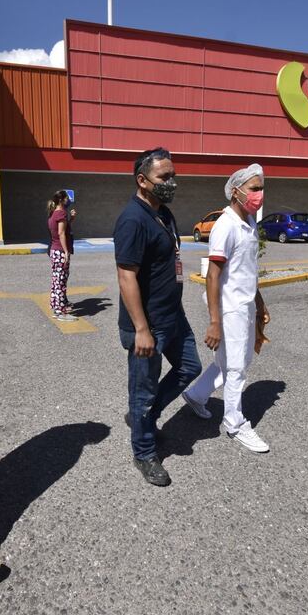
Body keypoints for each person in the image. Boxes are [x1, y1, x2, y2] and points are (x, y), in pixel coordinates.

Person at [114, 147, 201, 487]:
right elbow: (126, 276)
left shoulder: (163, 213)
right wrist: (141, 329)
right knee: (143, 391)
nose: (172, 182)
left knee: (189, 367)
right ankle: (144, 451)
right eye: (164, 177)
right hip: (146, 326)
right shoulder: (132, 219)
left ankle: (143, 420)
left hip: (172, 317)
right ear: (142, 181)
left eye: (173, 175)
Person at [182, 164, 271, 453]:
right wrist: (214, 322)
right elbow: (213, 275)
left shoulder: (249, 221)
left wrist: (259, 304)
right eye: (254, 189)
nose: (259, 194)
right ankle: (234, 423)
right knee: (235, 368)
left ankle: (196, 394)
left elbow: (247, 270)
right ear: (236, 191)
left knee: (235, 362)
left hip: (244, 304)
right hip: (228, 307)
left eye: (261, 188)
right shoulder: (226, 226)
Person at [47, 190, 77, 321]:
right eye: (66, 198)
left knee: (57, 281)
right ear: (62, 200)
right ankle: (61, 313)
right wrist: (66, 252)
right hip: (60, 251)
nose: (68, 200)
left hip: (55, 250)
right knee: (60, 282)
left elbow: (63, 229)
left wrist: (72, 219)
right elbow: (61, 233)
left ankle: (56, 306)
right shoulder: (61, 213)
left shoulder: (54, 213)